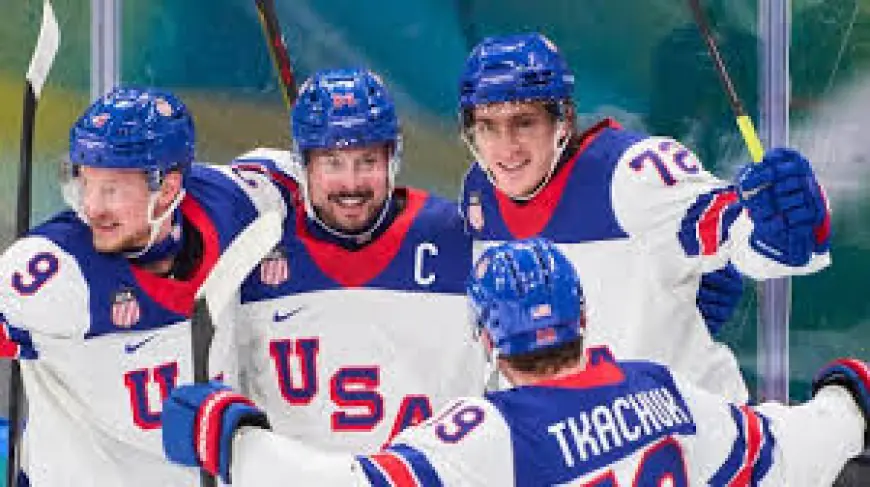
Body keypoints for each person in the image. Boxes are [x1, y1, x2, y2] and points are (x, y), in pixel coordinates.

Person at [161, 238, 867, 486]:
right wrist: (849, 397)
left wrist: (232, 438)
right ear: (583, 317)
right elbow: (788, 453)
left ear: (487, 339)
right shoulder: (661, 391)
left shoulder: (490, 432)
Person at [457, 33, 832, 402]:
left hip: (689, 440)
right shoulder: (479, 192)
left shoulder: (634, 174)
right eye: (488, 126)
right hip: (576, 447)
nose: (505, 148)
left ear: (563, 119)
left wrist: (784, 223)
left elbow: (745, 232)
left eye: (524, 122)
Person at [0, 87, 287, 486]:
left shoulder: (230, 204)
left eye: (112, 190)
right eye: (86, 184)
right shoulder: (57, 269)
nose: (92, 207)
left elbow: (300, 177)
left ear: (167, 189)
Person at [220, 67, 485, 452]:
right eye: (332, 162)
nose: (351, 184)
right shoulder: (253, 246)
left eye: (367, 161)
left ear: (393, 159)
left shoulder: (458, 239)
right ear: (302, 165)